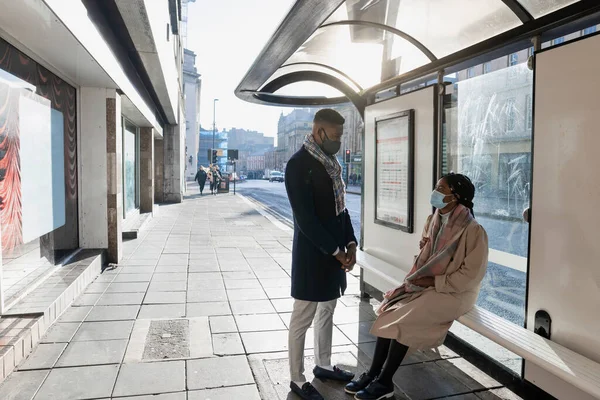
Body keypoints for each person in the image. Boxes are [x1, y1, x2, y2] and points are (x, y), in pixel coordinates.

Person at [346, 173, 489, 400]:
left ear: (456, 196)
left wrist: (434, 281)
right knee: (388, 311)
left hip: (456, 291)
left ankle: (384, 382)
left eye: (441, 189)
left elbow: (472, 275)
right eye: (436, 187)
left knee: (403, 318)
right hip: (429, 284)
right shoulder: (434, 220)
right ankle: (374, 374)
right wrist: (426, 269)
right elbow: (426, 253)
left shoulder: (473, 230)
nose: (435, 193)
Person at [285, 109, 358, 400]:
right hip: (313, 257)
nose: (339, 141)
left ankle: (324, 364)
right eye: (336, 136)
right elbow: (306, 220)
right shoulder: (298, 165)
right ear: (320, 132)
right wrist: (337, 251)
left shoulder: (331, 163)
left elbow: (342, 208)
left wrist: (351, 243)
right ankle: (296, 378)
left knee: (327, 310)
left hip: (335, 255)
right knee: (303, 317)